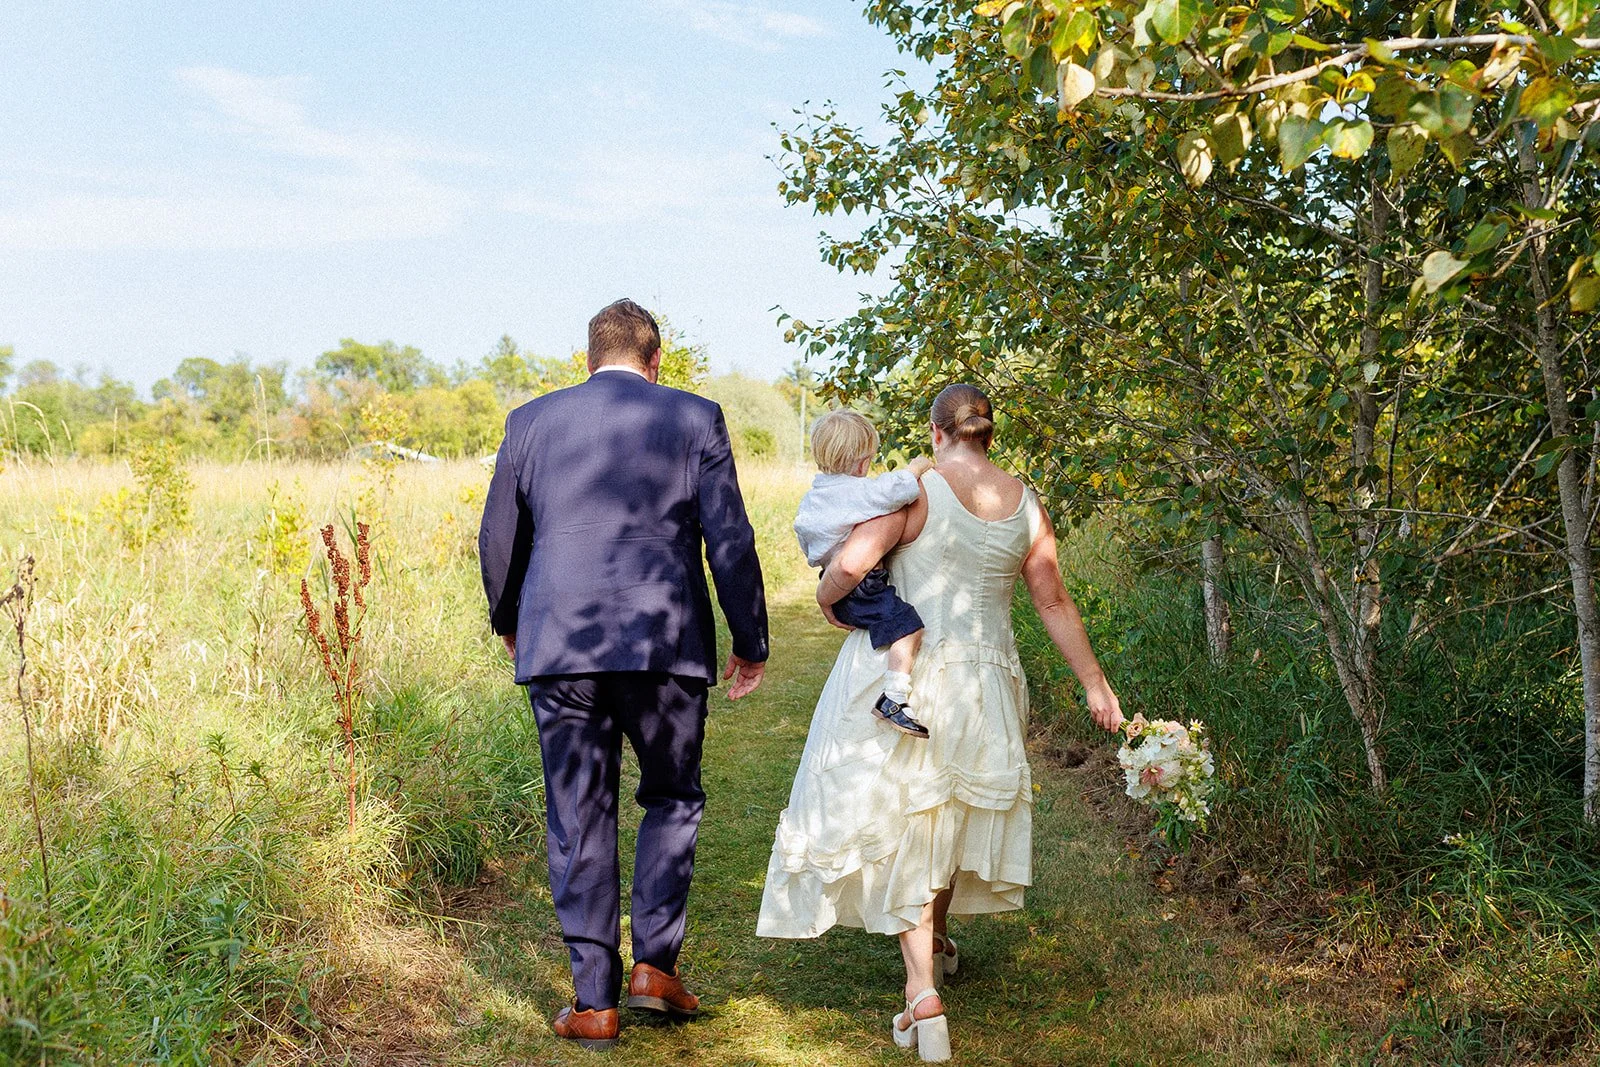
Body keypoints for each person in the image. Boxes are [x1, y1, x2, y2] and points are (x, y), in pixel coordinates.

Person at [757, 383, 1122, 1063]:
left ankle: (923, 994)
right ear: (989, 434)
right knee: (947, 814)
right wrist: (1095, 683)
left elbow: (850, 564)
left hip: (912, 675)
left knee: (910, 823)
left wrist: (827, 599)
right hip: (988, 677)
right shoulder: (1026, 502)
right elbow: (1054, 600)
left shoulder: (915, 491)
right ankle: (937, 944)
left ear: (936, 433)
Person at [479, 298, 769, 1051]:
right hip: (663, 640)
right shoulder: (695, 417)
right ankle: (656, 968)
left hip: (562, 643)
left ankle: (594, 1001)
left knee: (578, 809)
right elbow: (727, 535)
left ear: (587, 359)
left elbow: (499, 539)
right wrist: (750, 637)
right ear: (655, 359)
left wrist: (509, 618)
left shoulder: (529, 423)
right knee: (672, 795)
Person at [793, 409, 935, 738]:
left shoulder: (813, 499)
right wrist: (917, 468)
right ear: (861, 463)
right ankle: (894, 697)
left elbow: (808, 541)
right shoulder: (857, 492)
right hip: (861, 584)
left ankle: (892, 696)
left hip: (835, 583)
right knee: (909, 627)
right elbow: (897, 490)